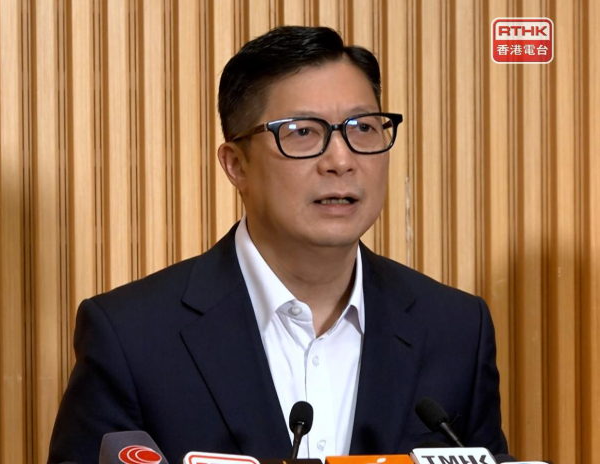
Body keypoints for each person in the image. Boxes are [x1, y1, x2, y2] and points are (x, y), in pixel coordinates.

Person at [49, 26, 509, 464]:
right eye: (303, 132)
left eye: (363, 128)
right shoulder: (133, 337)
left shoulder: (455, 330)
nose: (341, 160)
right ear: (236, 165)